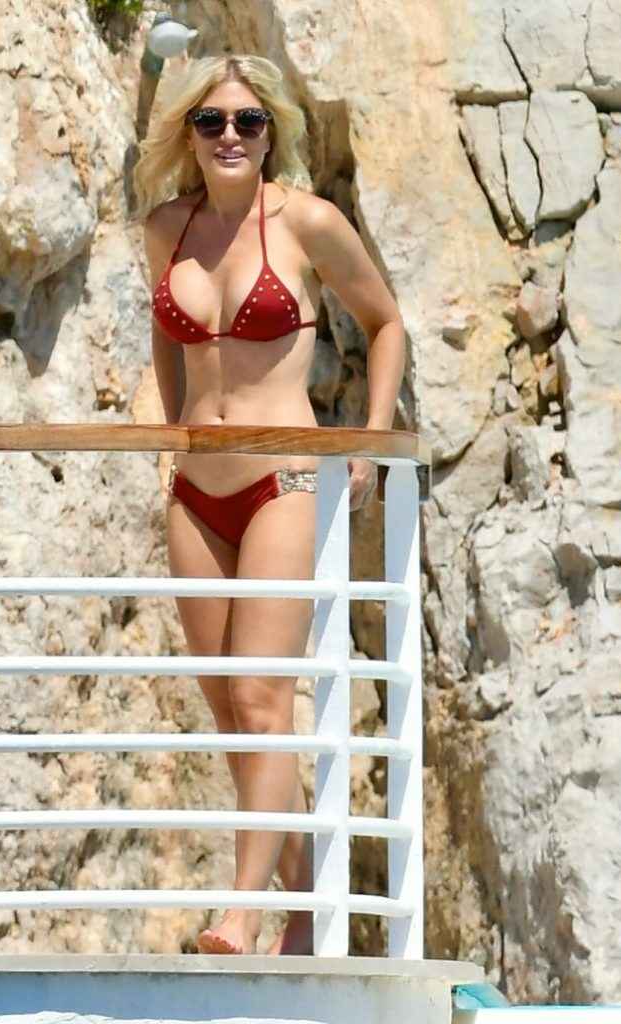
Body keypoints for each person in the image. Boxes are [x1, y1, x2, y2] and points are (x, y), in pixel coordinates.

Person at [134, 54, 405, 956]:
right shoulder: (165, 227)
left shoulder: (306, 221)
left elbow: (385, 323)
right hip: (194, 491)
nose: (231, 135)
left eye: (248, 121)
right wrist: (168, 428)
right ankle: (304, 901)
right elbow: (168, 338)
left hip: (281, 483)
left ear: (271, 132)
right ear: (188, 133)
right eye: (211, 120)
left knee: (262, 698)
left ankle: (244, 913)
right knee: (227, 709)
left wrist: (368, 435)